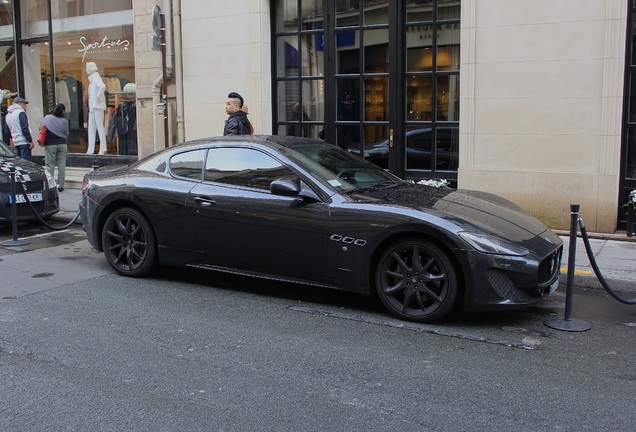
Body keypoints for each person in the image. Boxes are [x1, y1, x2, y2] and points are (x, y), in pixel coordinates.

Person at [40, 103, 70, 191]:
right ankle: (61, 185)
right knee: (61, 165)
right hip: (62, 144)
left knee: (50, 165)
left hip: (50, 145)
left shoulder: (47, 118)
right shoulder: (65, 121)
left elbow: (40, 128)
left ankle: (50, 184)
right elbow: (67, 134)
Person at [85, 61, 107, 154]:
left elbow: (102, 86)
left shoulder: (96, 77)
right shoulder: (92, 78)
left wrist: (98, 97)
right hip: (93, 106)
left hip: (97, 106)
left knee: (99, 127)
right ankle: (90, 149)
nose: (86, 70)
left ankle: (102, 149)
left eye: (87, 68)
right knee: (91, 128)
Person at [4, 96, 34, 161]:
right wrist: (30, 140)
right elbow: (25, 128)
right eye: (24, 104)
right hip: (24, 141)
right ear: (19, 103)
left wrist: (14, 137)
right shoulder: (21, 113)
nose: (26, 106)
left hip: (16, 142)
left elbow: (7, 131)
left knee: (20, 163)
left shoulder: (8, 115)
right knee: (26, 164)